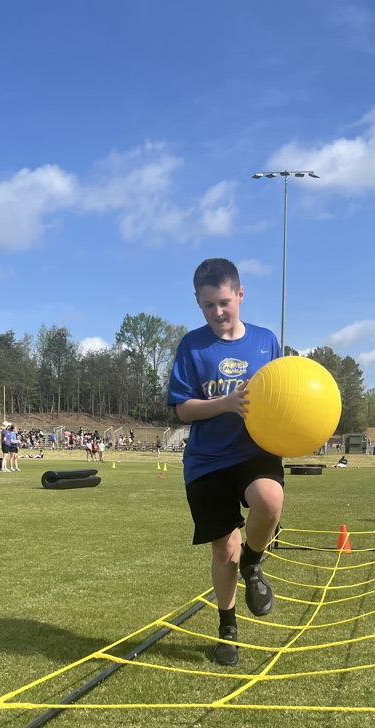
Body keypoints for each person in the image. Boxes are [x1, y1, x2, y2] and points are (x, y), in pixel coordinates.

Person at [167, 257, 283, 667]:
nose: (217, 312)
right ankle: (227, 627)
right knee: (224, 548)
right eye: (207, 305)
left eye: (223, 302)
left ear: (240, 294)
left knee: (269, 500)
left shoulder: (267, 341)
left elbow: (285, 396)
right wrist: (226, 403)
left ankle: (255, 562)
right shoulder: (192, 346)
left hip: (256, 451)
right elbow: (183, 411)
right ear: (198, 304)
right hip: (207, 461)